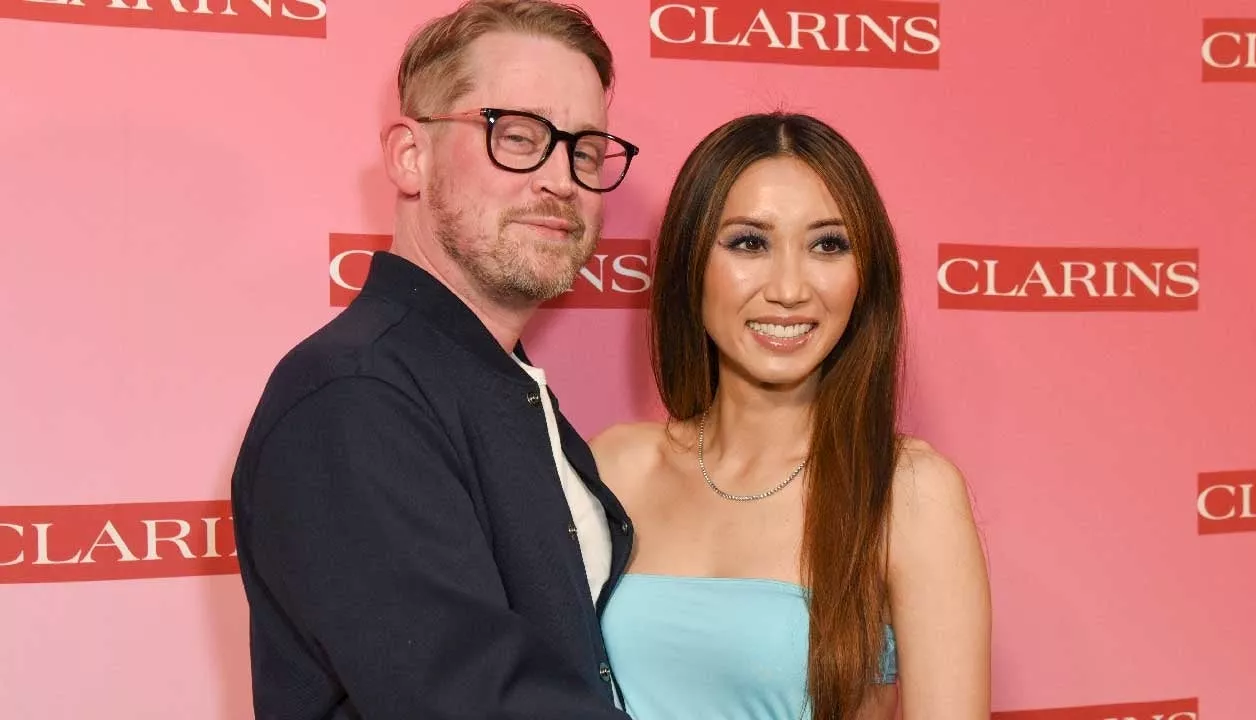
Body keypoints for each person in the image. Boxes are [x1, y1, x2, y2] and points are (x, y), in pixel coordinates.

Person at [229, 1, 641, 718]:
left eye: (583, 149)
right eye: (517, 136)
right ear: (409, 156)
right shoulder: (354, 394)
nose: (561, 180)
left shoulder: (493, 382)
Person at [591, 113, 991, 720]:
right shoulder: (614, 466)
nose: (789, 288)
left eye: (827, 245)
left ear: (865, 276)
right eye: (749, 242)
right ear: (690, 263)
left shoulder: (908, 491)